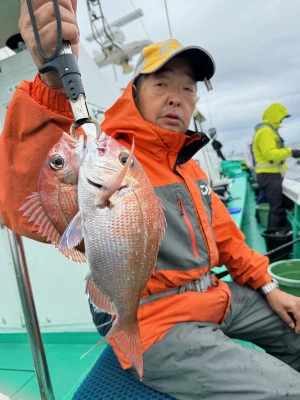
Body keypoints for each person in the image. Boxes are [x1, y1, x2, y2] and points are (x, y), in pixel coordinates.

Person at [0, 1, 300, 399]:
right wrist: (52, 83)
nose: (177, 98)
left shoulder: (189, 165)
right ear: (135, 92)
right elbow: (27, 200)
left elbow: (226, 236)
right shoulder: (114, 155)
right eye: (162, 84)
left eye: (187, 88)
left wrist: (267, 286)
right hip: (154, 315)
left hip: (215, 295)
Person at [252, 103, 300, 229]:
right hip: (269, 176)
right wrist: (290, 152)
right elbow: (270, 154)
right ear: (274, 117)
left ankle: (277, 232)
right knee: (276, 209)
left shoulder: (266, 131)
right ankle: (276, 234)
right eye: (281, 119)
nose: (281, 122)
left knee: (276, 206)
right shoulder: (266, 132)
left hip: (269, 175)